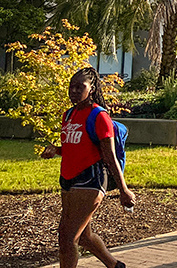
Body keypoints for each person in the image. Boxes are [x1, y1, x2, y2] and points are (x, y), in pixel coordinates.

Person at [41, 67, 135, 268]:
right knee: (84, 236)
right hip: (68, 179)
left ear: (91, 89)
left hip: (90, 180)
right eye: (71, 87)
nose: (73, 91)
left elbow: (109, 156)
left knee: (67, 239)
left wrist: (123, 189)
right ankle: (115, 265)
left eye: (79, 87)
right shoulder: (68, 115)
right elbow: (74, 148)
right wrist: (55, 150)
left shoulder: (99, 116)